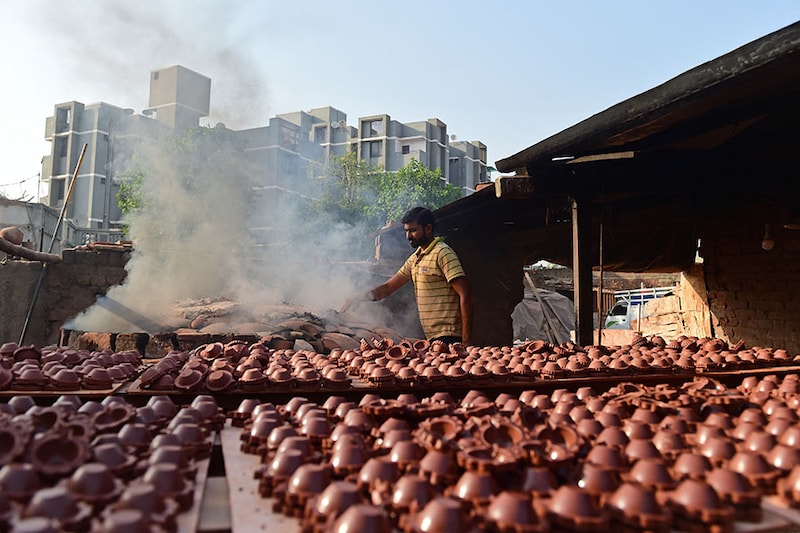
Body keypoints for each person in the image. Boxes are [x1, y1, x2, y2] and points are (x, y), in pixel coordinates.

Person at [343, 206, 474, 345]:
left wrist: (465, 342)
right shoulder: (415, 259)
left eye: (413, 230)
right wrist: (360, 297)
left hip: (450, 336)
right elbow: (387, 288)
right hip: (433, 338)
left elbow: (466, 295)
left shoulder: (443, 253)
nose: (408, 236)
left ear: (428, 229)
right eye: (406, 231)